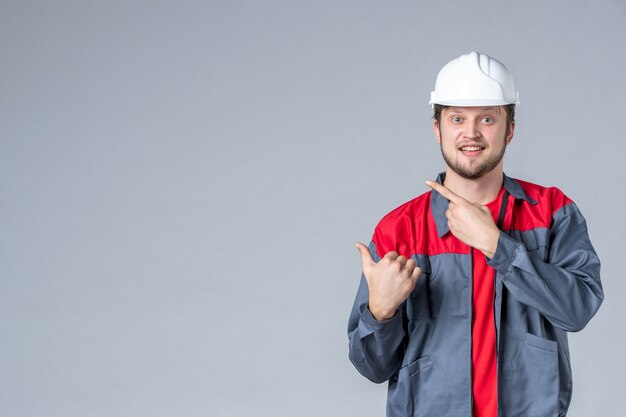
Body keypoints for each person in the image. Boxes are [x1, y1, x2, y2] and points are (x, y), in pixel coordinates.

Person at [347, 51, 603, 417]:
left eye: (487, 118)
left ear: (509, 128)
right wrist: (380, 312)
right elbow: (371, 367)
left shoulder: (551, 212)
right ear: (437, 129)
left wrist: (498, 245)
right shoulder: (401, 229)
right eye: (456, 119)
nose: (471, 133)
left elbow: (577, 311)